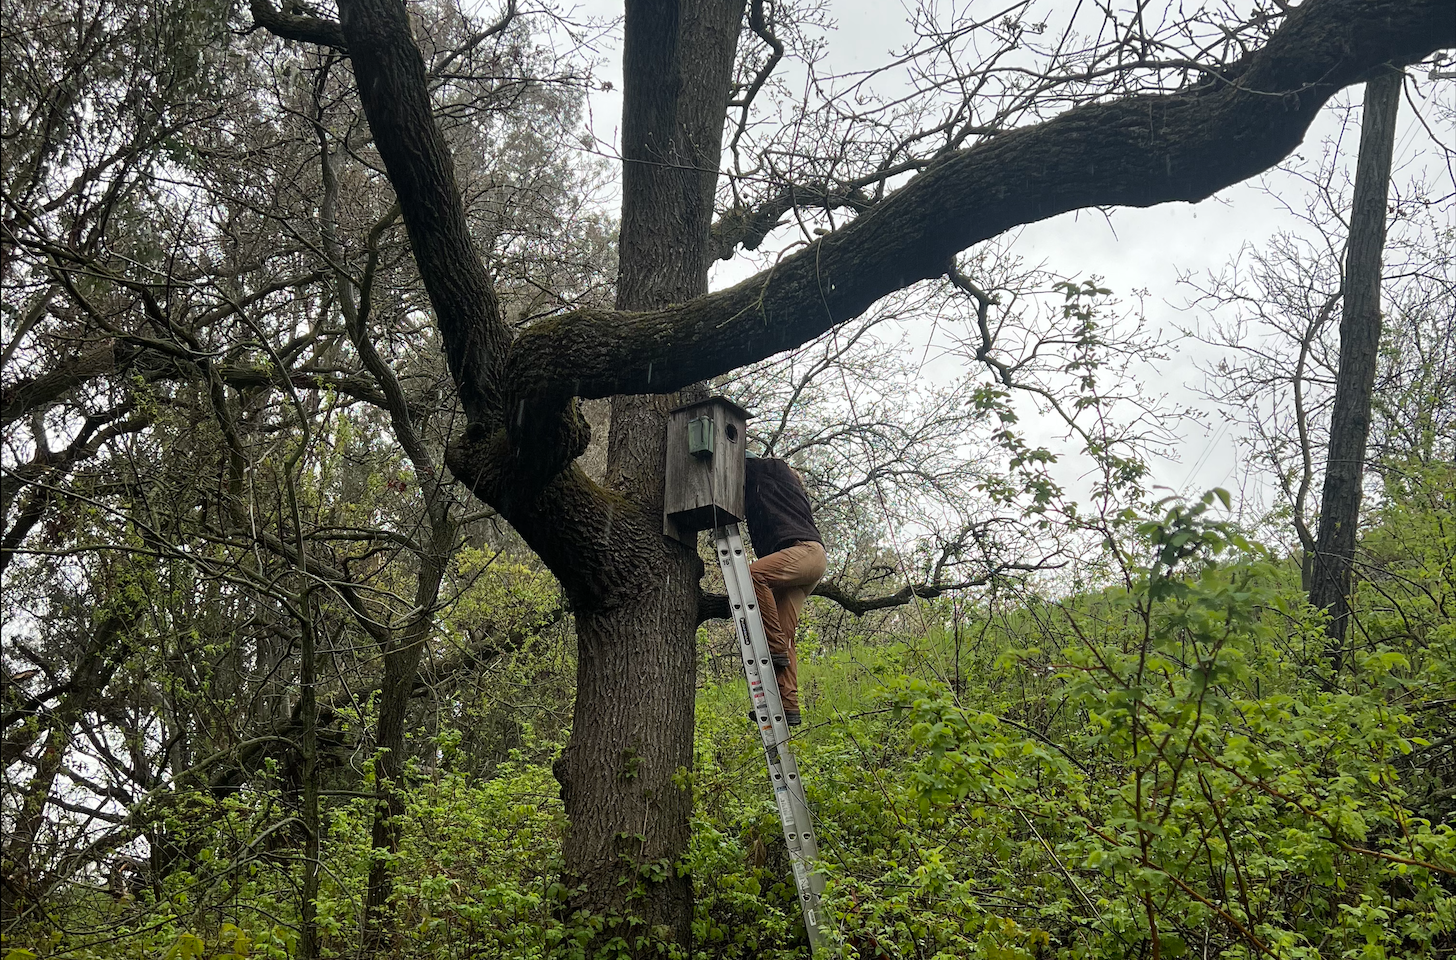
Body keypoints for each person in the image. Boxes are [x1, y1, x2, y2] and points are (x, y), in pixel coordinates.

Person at [743, 453, 827, 726]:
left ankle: (775, 646)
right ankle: (788, 704)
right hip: (808, 563)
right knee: (784, 629)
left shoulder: (774, 470)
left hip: (805, 552)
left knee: (754, 574)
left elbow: (754, 462)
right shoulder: (785, 491)